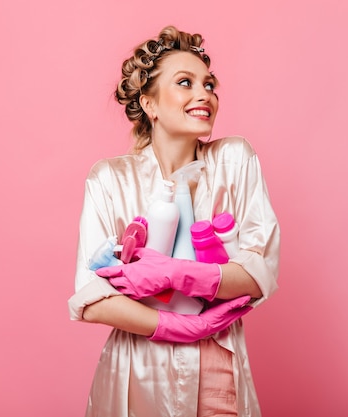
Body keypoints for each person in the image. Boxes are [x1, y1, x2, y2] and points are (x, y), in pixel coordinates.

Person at [67, 25, 280, 417]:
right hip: (137, 372)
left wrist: (176, 274)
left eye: (210, 85)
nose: (205, 95)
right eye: (186, 82)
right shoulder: (111, 179)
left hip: (218, 368)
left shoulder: (234, 161)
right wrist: (175, 327)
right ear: (150, 104)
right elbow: (92, 297)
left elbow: (260, 272)